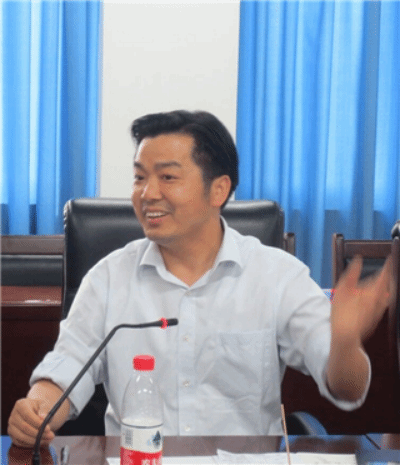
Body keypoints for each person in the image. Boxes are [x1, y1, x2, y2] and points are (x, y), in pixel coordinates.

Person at [8, 110, 394, 447]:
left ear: (218, 189)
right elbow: (66, 368)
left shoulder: (277, 276)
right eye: (139, 177)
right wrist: (37, 409)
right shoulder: (108, 278)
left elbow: (347, 388)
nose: (147, 194)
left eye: (167, 177)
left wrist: (345, 342)